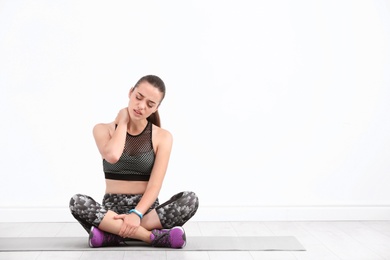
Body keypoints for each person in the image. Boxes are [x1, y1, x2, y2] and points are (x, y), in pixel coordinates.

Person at [69, 75, 199, 248]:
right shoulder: (102, 129)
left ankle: (112, 235)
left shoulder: (163, 137)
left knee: (190, 200)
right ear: (130, 93)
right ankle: (151, 237)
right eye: (138, 97)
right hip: (111, 213)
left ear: (156, 108)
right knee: (77, 202)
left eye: (150, 104)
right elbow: (113, 155)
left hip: (147, 213)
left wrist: (136, 214)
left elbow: (155, 185)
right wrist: (122, 122)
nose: (141, 106)